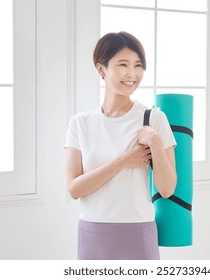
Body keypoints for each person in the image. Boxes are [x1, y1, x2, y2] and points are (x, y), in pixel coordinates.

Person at [64, 31, 177, 260]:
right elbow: (74, 188)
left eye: (138, 66)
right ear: (101, 69)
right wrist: (124, 161)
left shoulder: (153, 119)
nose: (132, 74)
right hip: (92, 230)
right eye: (123, 64)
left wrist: (155, 142)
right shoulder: (80, 123)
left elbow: (167, 189)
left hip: (137, 228)